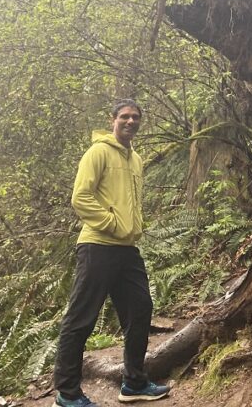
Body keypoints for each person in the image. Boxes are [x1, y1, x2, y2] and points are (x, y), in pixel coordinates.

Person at [53, 99, 171, 406]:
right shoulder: (98, 152)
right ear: (113, 120)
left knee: (140, 309)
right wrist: (112, 223)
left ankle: (134, 383)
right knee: (81, 318)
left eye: (135, 117)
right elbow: (80, 198)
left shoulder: (136, 159)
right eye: (124, 117)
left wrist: (132, 227)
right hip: (97, 246)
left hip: (126, 248)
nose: (130, 121)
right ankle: (66, 393)